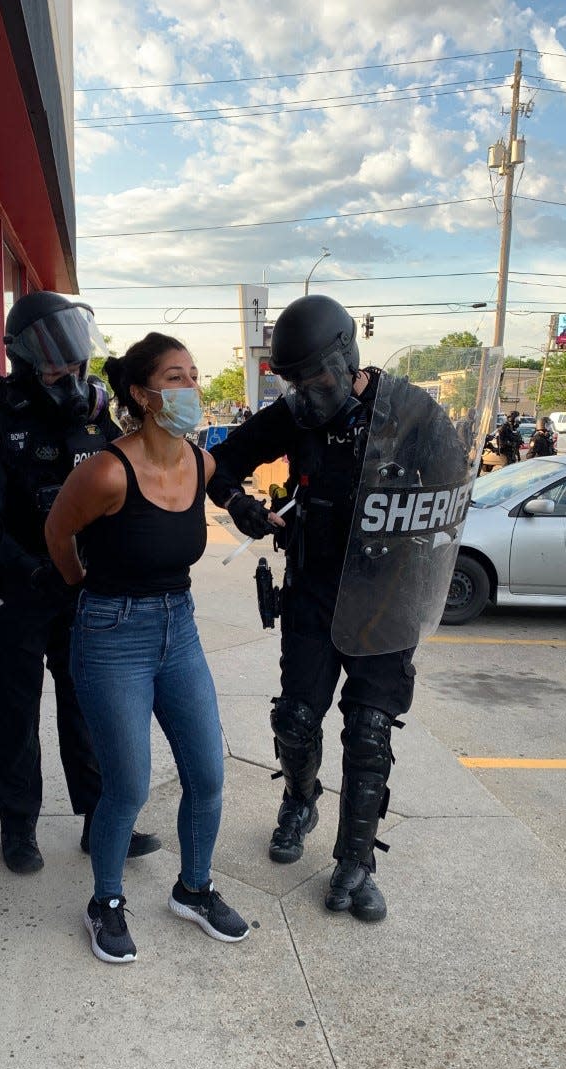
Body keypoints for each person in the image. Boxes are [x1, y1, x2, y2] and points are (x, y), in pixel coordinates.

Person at [205, 295, 462, 925]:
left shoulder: (414, 413)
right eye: (294, 380)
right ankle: (299, 798)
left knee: (370, 732)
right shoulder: (295, 415)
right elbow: (220, 463)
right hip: (315, 592)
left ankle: (357, 861)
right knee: (296, 718)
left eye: (316, 377)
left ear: (347, 357)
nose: (307, 391)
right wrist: (238, 504)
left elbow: (452, 497)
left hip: (387, 599)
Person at [44, 333, 249, 964]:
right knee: (128, 784)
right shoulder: (107, 469)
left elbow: (225, 489)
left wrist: (254, 511)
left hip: (178, 629)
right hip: (111, 635)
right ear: (142, 393)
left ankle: (194, 888)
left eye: (194, 376)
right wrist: (84, 588)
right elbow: (57, 530)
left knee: (208, 774)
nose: (191, 389)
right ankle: (105, 901)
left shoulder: (198, 460)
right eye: (175, 378)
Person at [0, 291, 160, 874]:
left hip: (79, 593)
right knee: (17, 714)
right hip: (15, 594)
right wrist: (38, 566)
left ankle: (101, 823)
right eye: (54, 365)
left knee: (89, 707)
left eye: (75, 362)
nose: (69, 375)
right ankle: (19, 827)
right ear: (24, 363)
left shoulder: (94, 415)